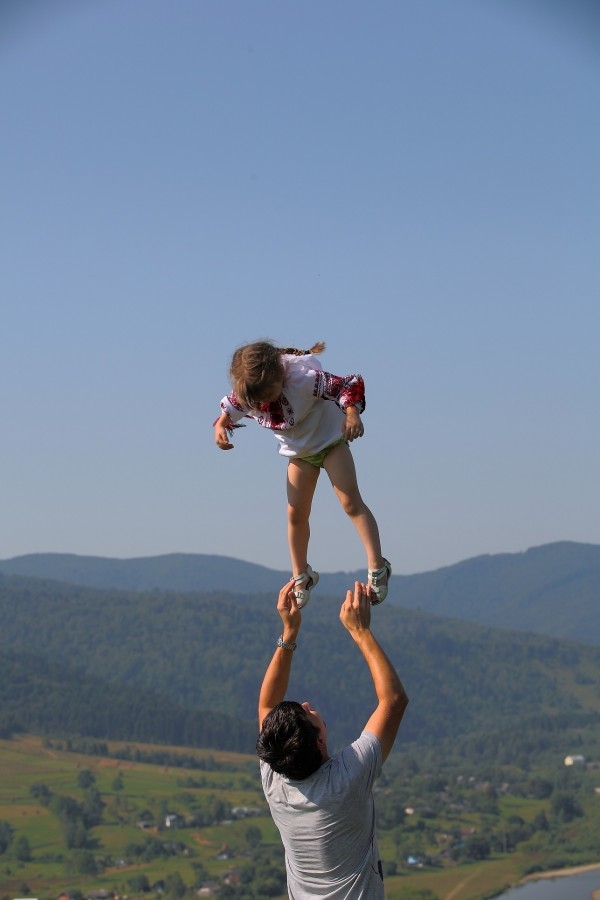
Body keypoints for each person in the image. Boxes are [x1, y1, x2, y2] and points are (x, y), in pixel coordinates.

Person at [257, 578, 409, 899]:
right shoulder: (345, 781)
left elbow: (267, 705)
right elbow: (394, 700)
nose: (308, 705)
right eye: (307, 713)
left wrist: (289, 632)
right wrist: (360, 631)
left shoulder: (276, 775)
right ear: (319, 742)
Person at [214, 339, 391, 606]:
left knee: (350, 502)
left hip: (330, 441)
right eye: (257, 399)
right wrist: (221, 425)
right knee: (295, 512)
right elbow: (231, 407)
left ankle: (378, 566)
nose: (262, 402)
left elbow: (346, 386)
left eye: (267, 395)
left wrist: (352, 414)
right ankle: (302, 575)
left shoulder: (304, 380)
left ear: (280, 376)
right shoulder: (250, 392)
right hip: (300, 453)